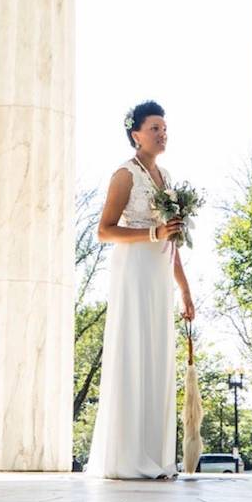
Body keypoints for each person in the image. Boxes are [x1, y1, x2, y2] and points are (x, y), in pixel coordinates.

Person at [85, 100, 195, 480]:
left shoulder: (164, 178)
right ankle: (128, 458)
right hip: (133, 270)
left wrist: (184, 290)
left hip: (159, 273)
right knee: (134, 351)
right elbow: (104, 231)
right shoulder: (124, 175)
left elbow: (172, 240)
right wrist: (153, 232)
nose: (162, 133)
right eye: (155, 128)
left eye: (165, 128)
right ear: (136, 135)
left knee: (157, 355)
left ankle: (156, 457)